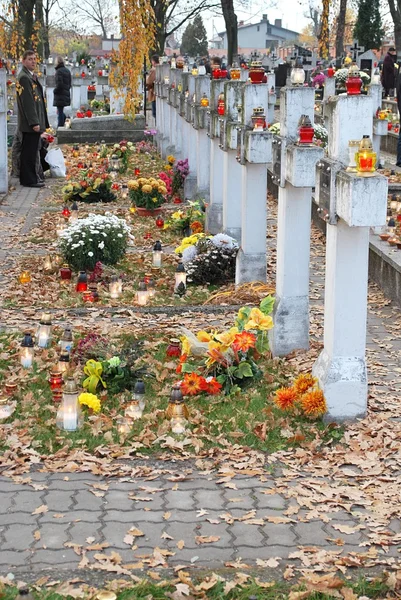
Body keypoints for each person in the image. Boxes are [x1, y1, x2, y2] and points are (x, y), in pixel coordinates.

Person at [17, 50, 49, 188]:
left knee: (31, 151)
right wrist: (34, 122)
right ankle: (29, 179)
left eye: (34, 59)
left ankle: (30, 178)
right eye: (30, 59)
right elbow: (28, 102)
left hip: (33, 121)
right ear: (23, 61)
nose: (33, 61)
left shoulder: (30, 76)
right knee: (28, 152)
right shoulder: (24, 78)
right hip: (29, 123)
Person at [53, 55, 71, 128]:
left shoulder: (58, 71)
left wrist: (55, 91)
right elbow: (69, 83)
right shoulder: (67, 71)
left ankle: (60, 127)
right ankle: (66, 120)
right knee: (60, 111)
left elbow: (59, 84)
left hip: (60, 94)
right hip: (66, 93)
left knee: (59, 111)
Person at [146, 54, 159, 122]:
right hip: (157, 92)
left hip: (154, 92)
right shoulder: (160, 68)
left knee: (155, 112)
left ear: (153, 62)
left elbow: (149, 81)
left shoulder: (153, 70)